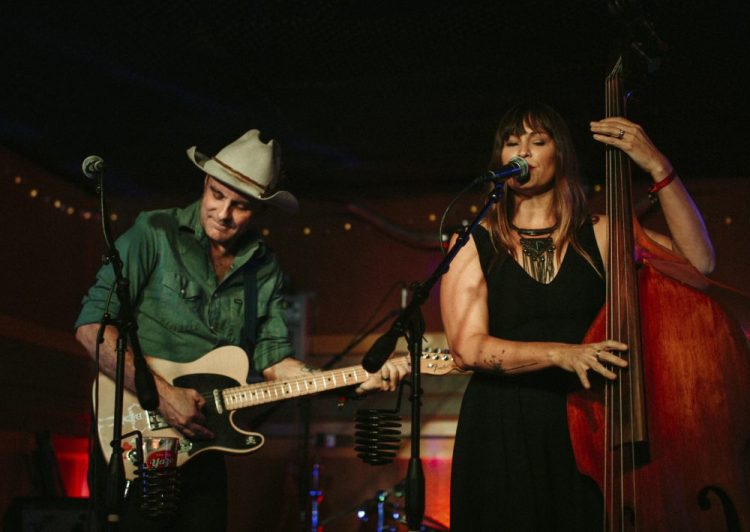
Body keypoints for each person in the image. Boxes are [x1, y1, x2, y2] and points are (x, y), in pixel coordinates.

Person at [75, 129, 409, 531]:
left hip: (206, 439)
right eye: (216, 194)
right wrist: (163, 396)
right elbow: (92, 328)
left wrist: (353, 382)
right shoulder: (153, 234)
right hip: (137, 436)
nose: (223, 213)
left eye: (240, 205)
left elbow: (274, 362)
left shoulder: (263, 270)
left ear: (260, 212)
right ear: (205, 183)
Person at [439, 102, 714, 531]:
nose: (522, 151)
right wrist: (564, 354)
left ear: (560, 154)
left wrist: (657, 166)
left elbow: (699, 265)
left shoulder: (601, 231)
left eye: (538, 141)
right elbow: (468, 347)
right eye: (512, 142)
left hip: (584, 421)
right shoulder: (474, 241)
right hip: (501, 427)